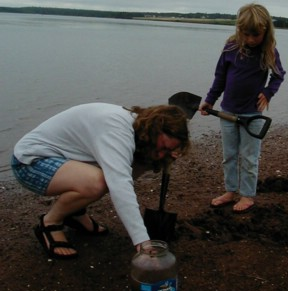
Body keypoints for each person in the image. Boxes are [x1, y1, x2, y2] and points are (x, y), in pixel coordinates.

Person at [11, 103, 189, 259]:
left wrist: (161, 158)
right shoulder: (116, 131)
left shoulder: (139, 128)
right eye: (162, 147)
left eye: (168, 150)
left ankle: (74, 212)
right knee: (98, 183)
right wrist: (142, 241)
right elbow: (120, 184)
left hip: (66, 157)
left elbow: (131, 169)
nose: (161, 153)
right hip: (30, 162)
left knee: (139, 162)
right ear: (153, 129)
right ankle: (50, 222)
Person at [199, 3, 285, 213]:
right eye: (245, 34)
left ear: (265, 30)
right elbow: (219, 77)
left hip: (253, 114)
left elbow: (278, 75)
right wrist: (210, 100)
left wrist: (267, 92)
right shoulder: (230, 48)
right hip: (227, 111)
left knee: (249, 157)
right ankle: (230, 191)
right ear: (239, 30)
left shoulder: (269, 51)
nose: (250, 39)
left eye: (255, 35)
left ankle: (247, 196)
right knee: (229, 154)